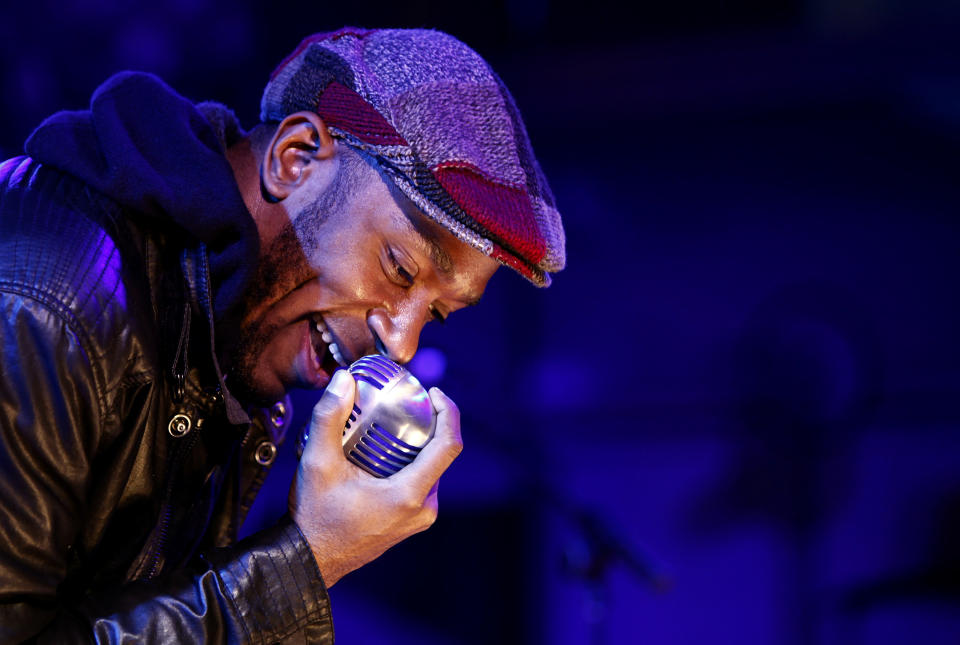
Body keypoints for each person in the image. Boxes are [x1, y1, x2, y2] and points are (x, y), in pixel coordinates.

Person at [0, 27, 564, 642]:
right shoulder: (48, 299)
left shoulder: (222, 349)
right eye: (399, 270)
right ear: (295, 158)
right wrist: (305, 563)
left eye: (437, 314)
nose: (400, 344)